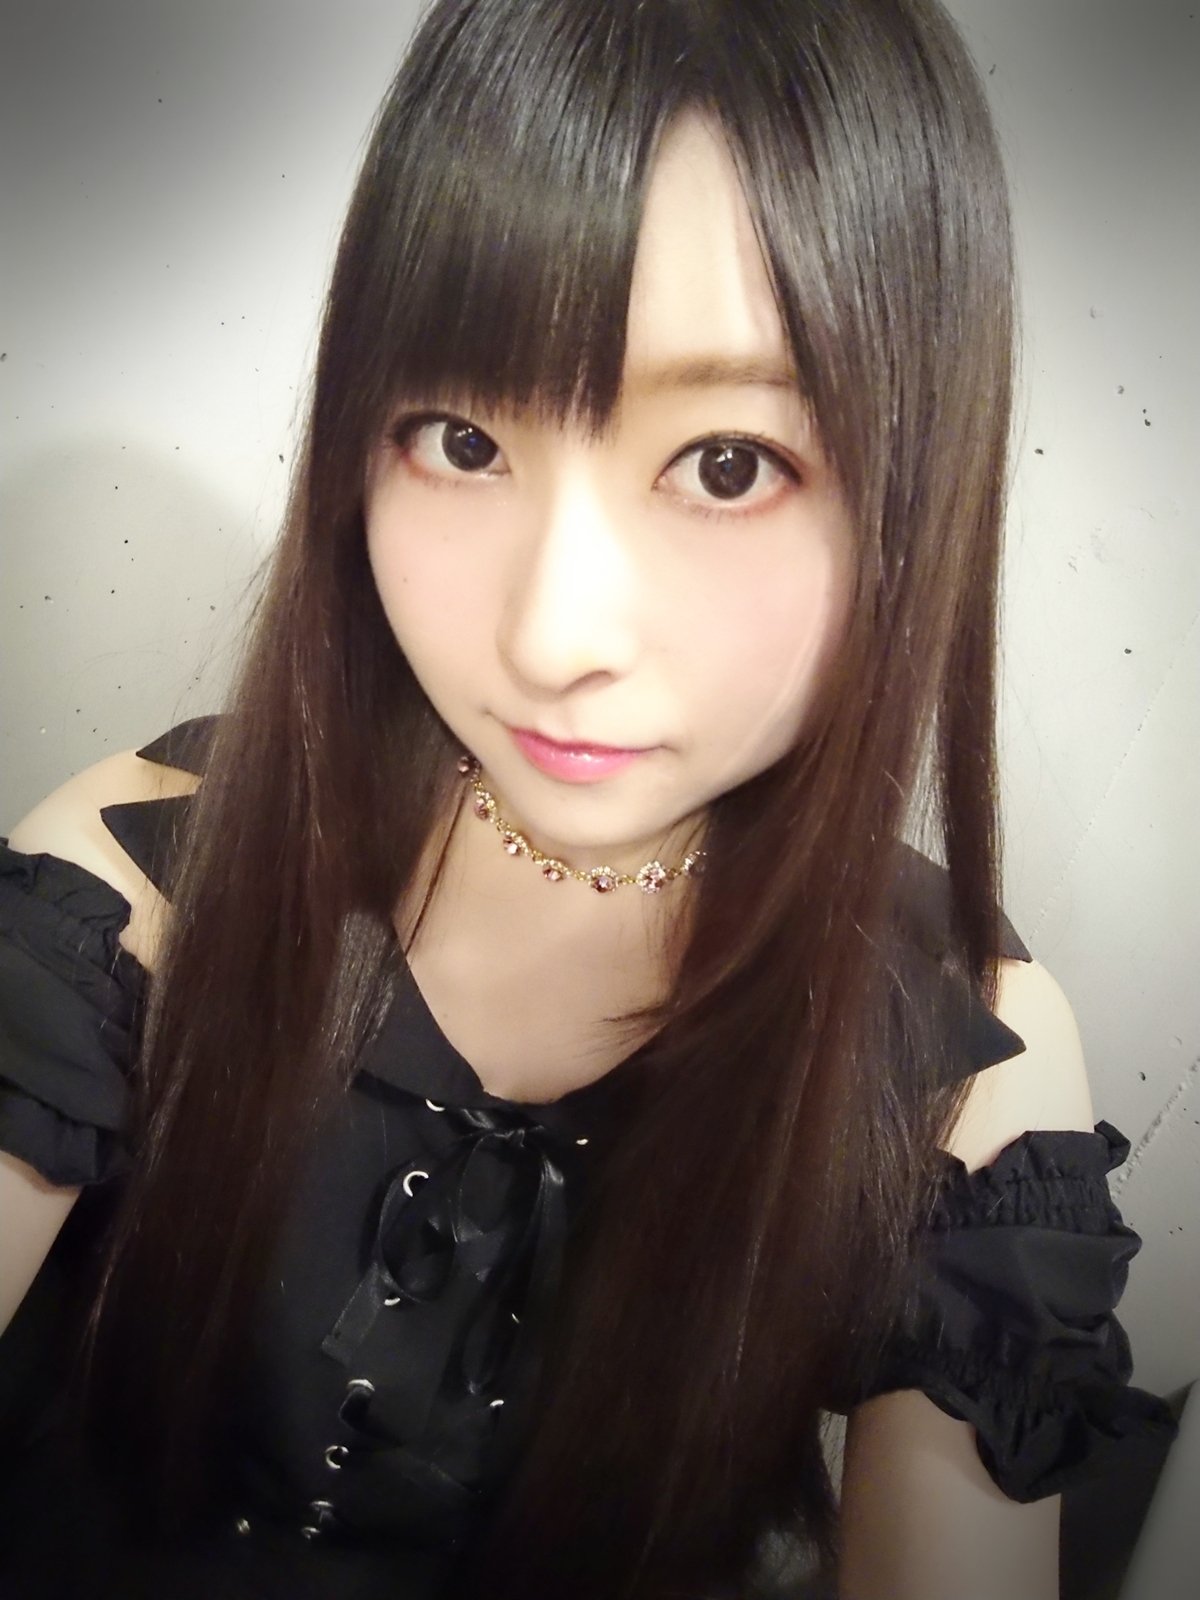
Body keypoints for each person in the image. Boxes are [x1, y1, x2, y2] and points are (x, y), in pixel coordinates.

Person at [0, 1, 1177, 1596]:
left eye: (728, 465)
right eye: (462, 437)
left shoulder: (957, 1070)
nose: (552, 640)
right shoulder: (138, 883)